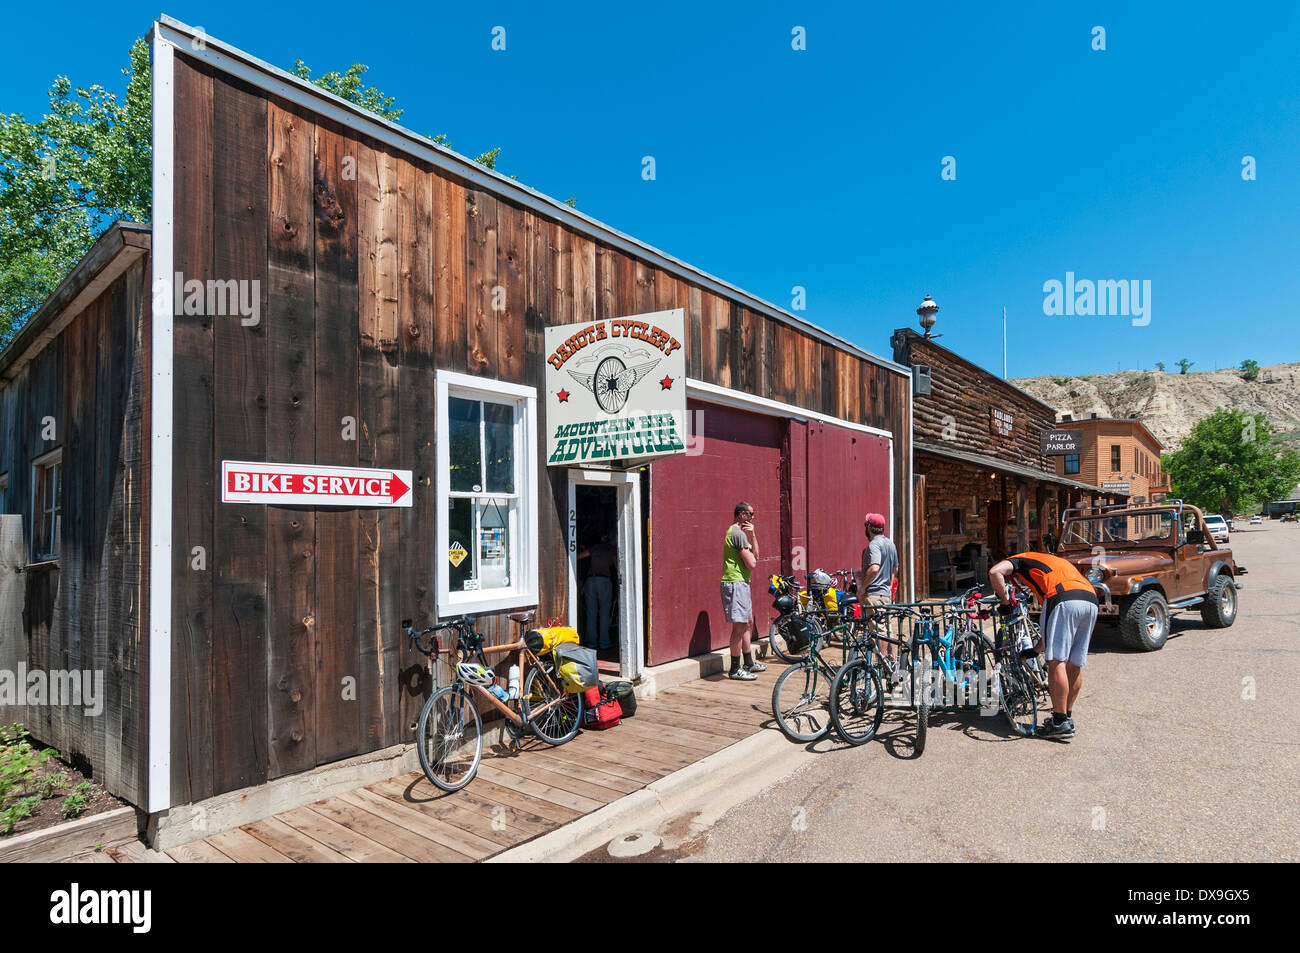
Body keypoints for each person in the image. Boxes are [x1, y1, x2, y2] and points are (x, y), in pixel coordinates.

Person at [987, 550, 1098, 741]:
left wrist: (1005, 602)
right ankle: (1066, 717)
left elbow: (995, 572)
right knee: (1074, 662)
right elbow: (1051, 635)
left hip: (1061, 597)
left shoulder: (1019, 560)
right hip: (1090, 598)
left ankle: (1059, 721)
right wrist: (1035, 651)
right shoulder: (1051, 561)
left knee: (1057, 661)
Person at [720, 501, 765, 680]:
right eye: (750, 514)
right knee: (739, 627)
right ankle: (734, 669)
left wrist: (753, 534)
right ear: (741, 514)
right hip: (735, 582)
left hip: (741, 582)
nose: (753, 517)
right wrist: (750, 543)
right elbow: (753, 563)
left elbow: (757, 556)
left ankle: (749, 663)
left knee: (747, 623)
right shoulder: (737, 533)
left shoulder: (742, 534)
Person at [858, 513, 899, 663]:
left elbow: (874, 568)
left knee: (878, 630)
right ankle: (892, 660)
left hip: (874, 594)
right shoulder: (890, 544)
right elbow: (895, 569)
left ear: (869, 527)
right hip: (886, 594)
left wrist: (863, 587)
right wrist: (888, 585)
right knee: (888, 628)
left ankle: (883, 664)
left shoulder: (874, 544)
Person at [577, 533, 618, 650]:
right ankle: (604, 643)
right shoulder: (612, 550)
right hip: (604, 580)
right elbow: (617, 566)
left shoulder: (595, 548)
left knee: (591, 613)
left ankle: (592, 643)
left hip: (590, 580)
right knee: (604, 613)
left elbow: (578, 557)